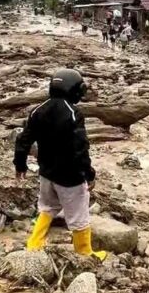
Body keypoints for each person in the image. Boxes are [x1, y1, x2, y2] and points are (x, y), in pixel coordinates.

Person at [14, 69, 107, 260]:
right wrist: (89, 174)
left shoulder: (38, 110)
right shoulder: (73, 114)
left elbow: (23, 140)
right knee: (79, 216)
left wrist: (20, 164)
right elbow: (80, 149)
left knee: (47, 207)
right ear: (74, 89)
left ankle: (34, 244)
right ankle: (85, 252)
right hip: (70, 178)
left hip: (46, 174)